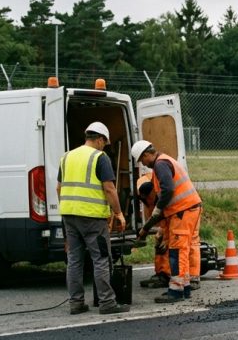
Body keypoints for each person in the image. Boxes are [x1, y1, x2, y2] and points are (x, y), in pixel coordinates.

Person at [57, 121, 129, 315]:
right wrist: (118, 213)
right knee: (101, 259)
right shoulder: (100, 157)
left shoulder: (66, 157)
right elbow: (109, 188)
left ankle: (76, 303)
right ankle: (107, 303)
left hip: (69, 216)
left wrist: (67, 208)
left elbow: (58, 188)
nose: (104, 146)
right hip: (92, 218)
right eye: (104, 143)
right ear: (99, 140)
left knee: (74, 260)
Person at [131, 140, 202, 304]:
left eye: (142, 160)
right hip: (186, 210)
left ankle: (176, 291)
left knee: (177, 252)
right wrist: (147, 228)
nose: (143, 164)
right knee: (180, 250)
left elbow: (168, 190)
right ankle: (184, 288)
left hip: (183, 211)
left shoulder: (160, 164)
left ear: (147, 154)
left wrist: (158, 207)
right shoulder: (164, 161)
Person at [136, 175, 170, 289]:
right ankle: (160, 273)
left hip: (179, 221)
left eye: (146, 198)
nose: (145, 201)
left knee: (167, 246)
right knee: (159, 242)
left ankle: (167, 275)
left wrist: (167, 238)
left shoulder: (163, 198)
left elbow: (172, 219)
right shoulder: (153, 199)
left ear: (151, 194)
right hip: (167, 222)